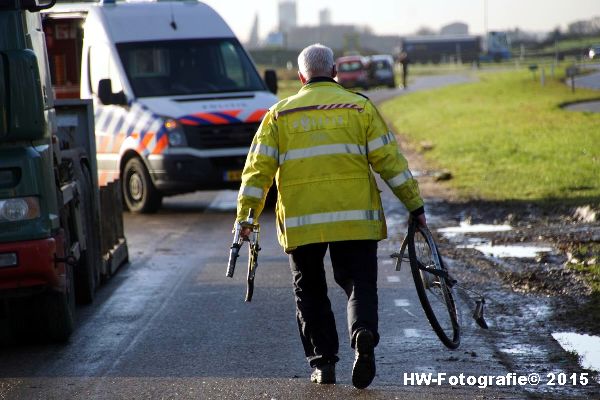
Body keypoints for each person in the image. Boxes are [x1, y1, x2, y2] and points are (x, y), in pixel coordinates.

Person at [234, 43, 426, 389]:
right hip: (355, 220)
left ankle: (324, 364)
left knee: (309, 289)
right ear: (335, 72)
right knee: (359, 282)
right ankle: (362, 332)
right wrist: (415, 205)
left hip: (301, 222)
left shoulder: (280, 115)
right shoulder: (360, 108)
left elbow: (256, 172)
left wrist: (247, 219)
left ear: (299, 76)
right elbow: (391, 163)